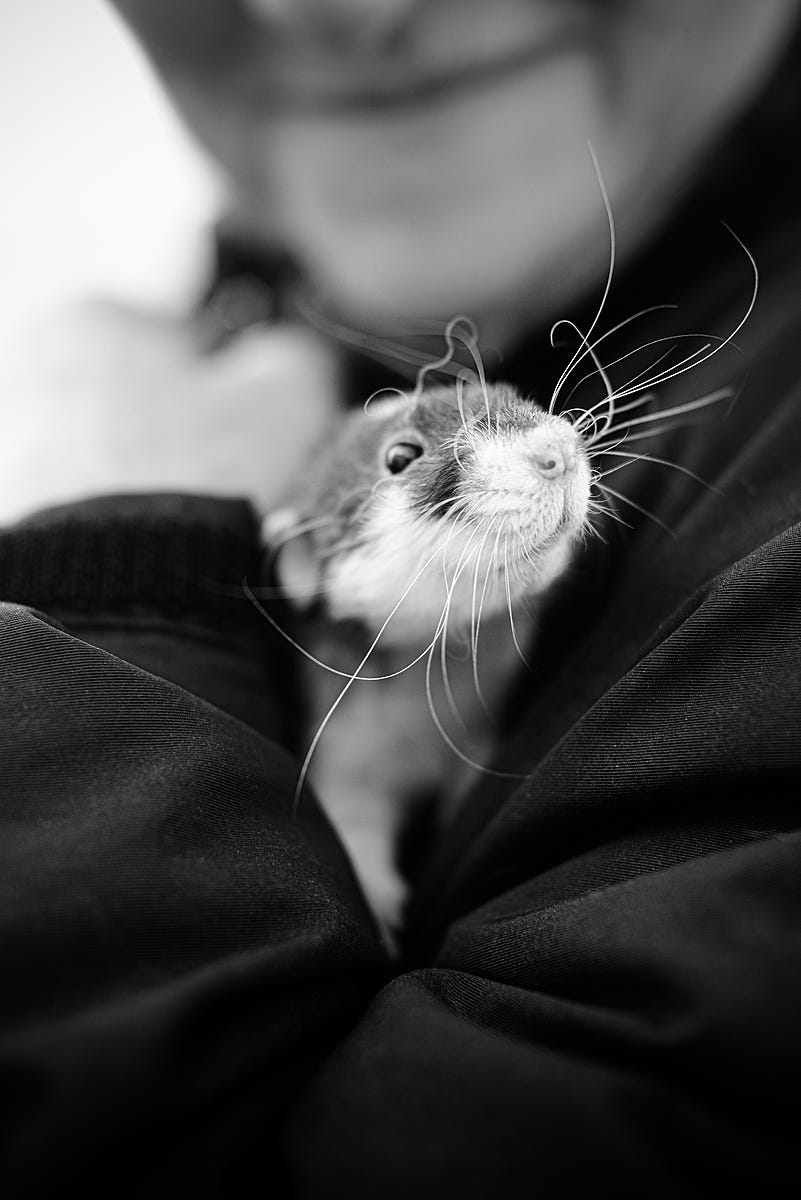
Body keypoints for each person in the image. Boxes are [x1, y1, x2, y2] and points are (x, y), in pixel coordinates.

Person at [2, 1, 801, 1194]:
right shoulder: (259, 318)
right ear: (305, 565)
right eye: (408, 459)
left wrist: (112, 594)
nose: (351, 7)